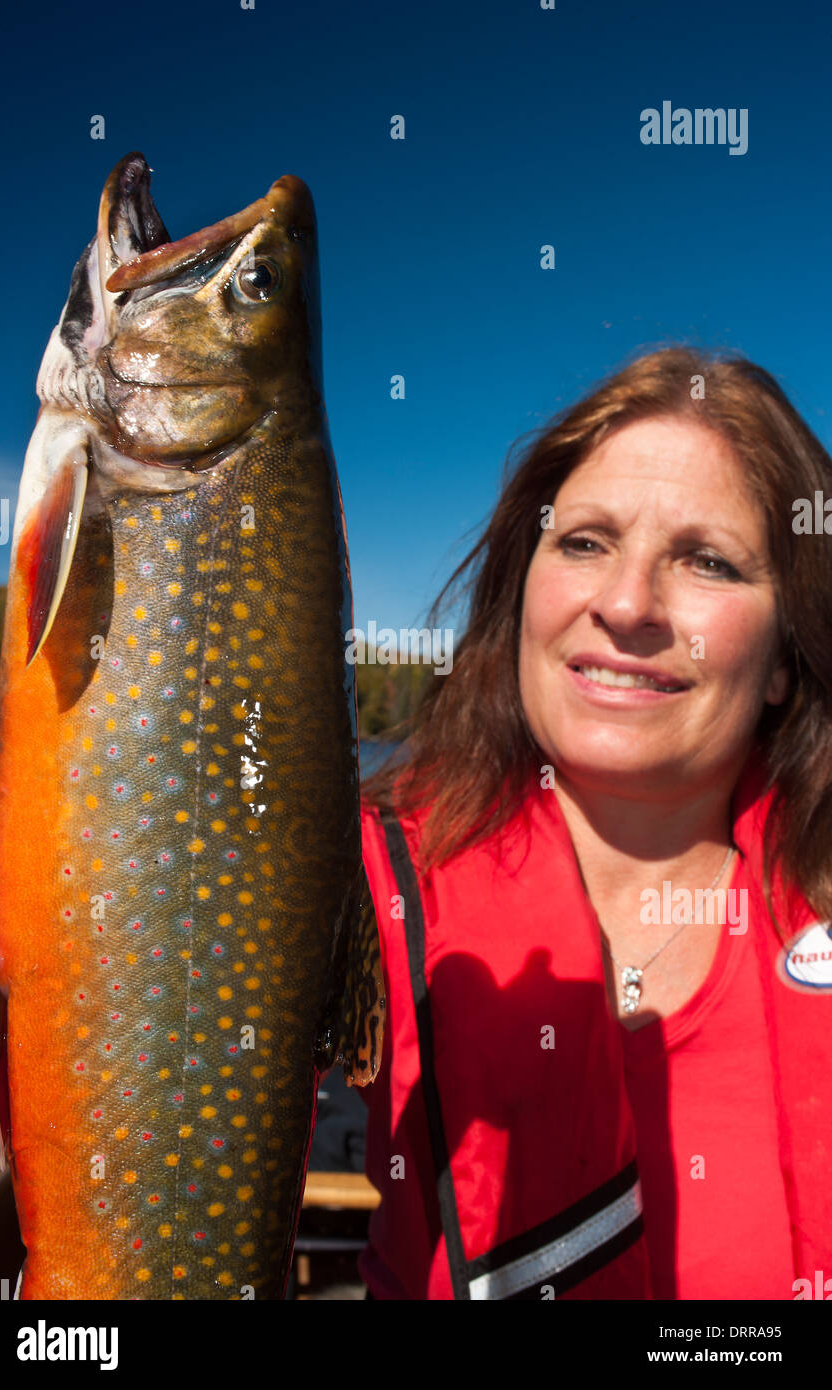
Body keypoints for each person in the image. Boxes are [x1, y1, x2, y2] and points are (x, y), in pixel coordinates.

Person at [355, 347, 832, 1301]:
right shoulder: (352, 882)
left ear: (783, 658)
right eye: (583, 542)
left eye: (706, 561)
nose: (624, 605)